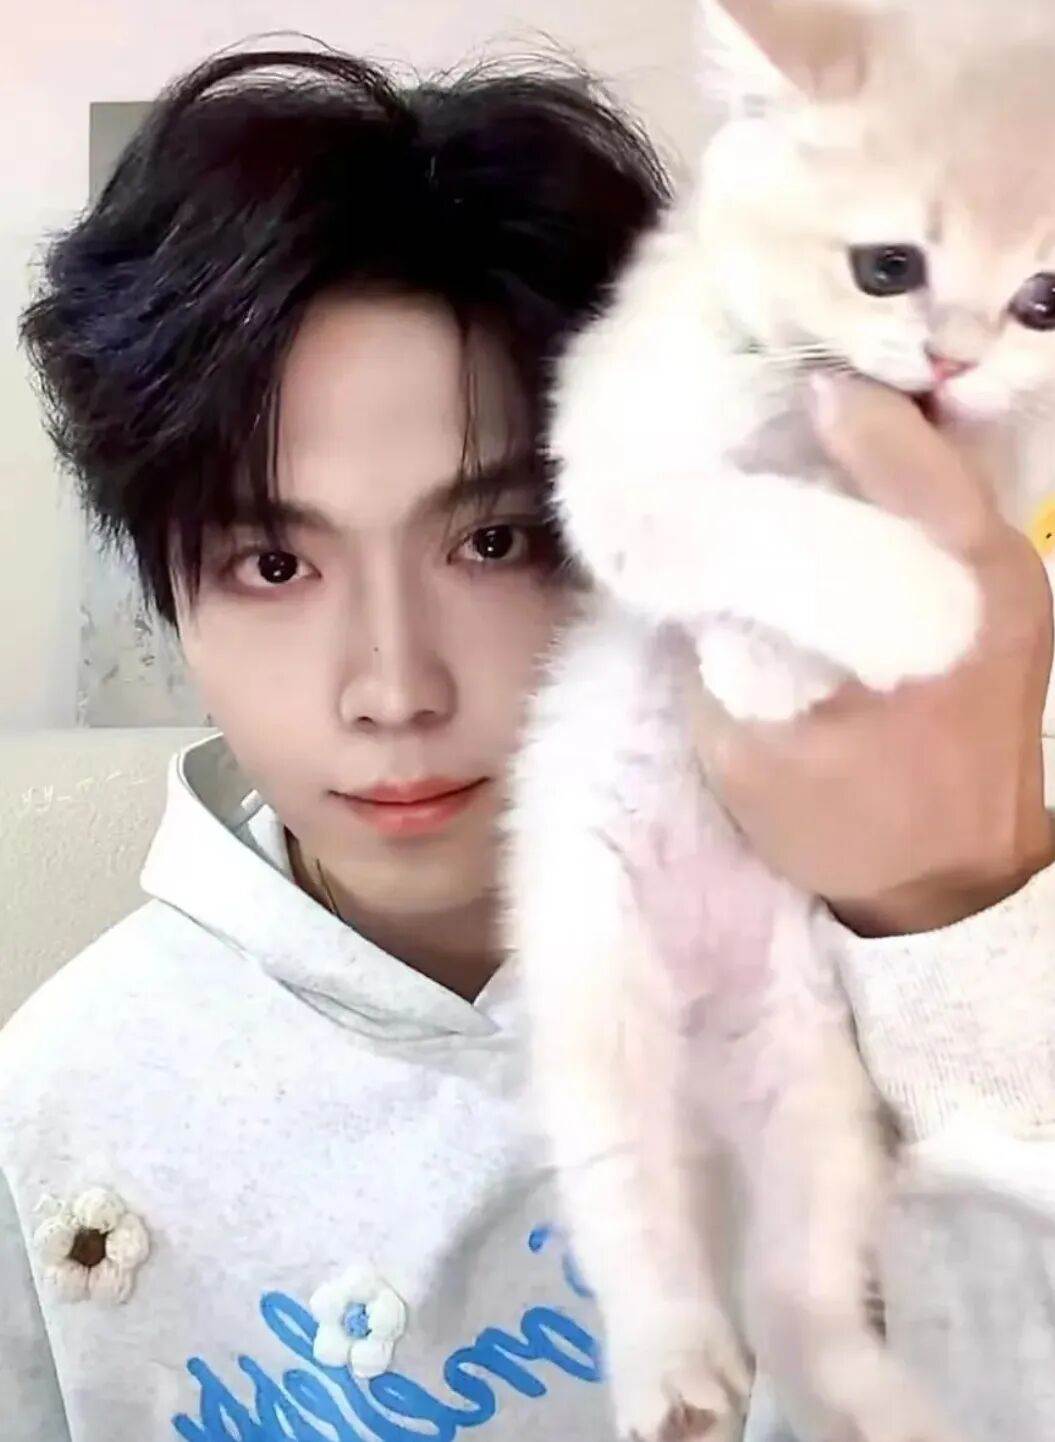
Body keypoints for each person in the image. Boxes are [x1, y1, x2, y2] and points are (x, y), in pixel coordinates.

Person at [1, 42, 1052, 1442]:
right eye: (273, 563)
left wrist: (967, 919)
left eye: (494, 540)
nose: (392, 688)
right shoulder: (60, 1099)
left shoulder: (886, 952)